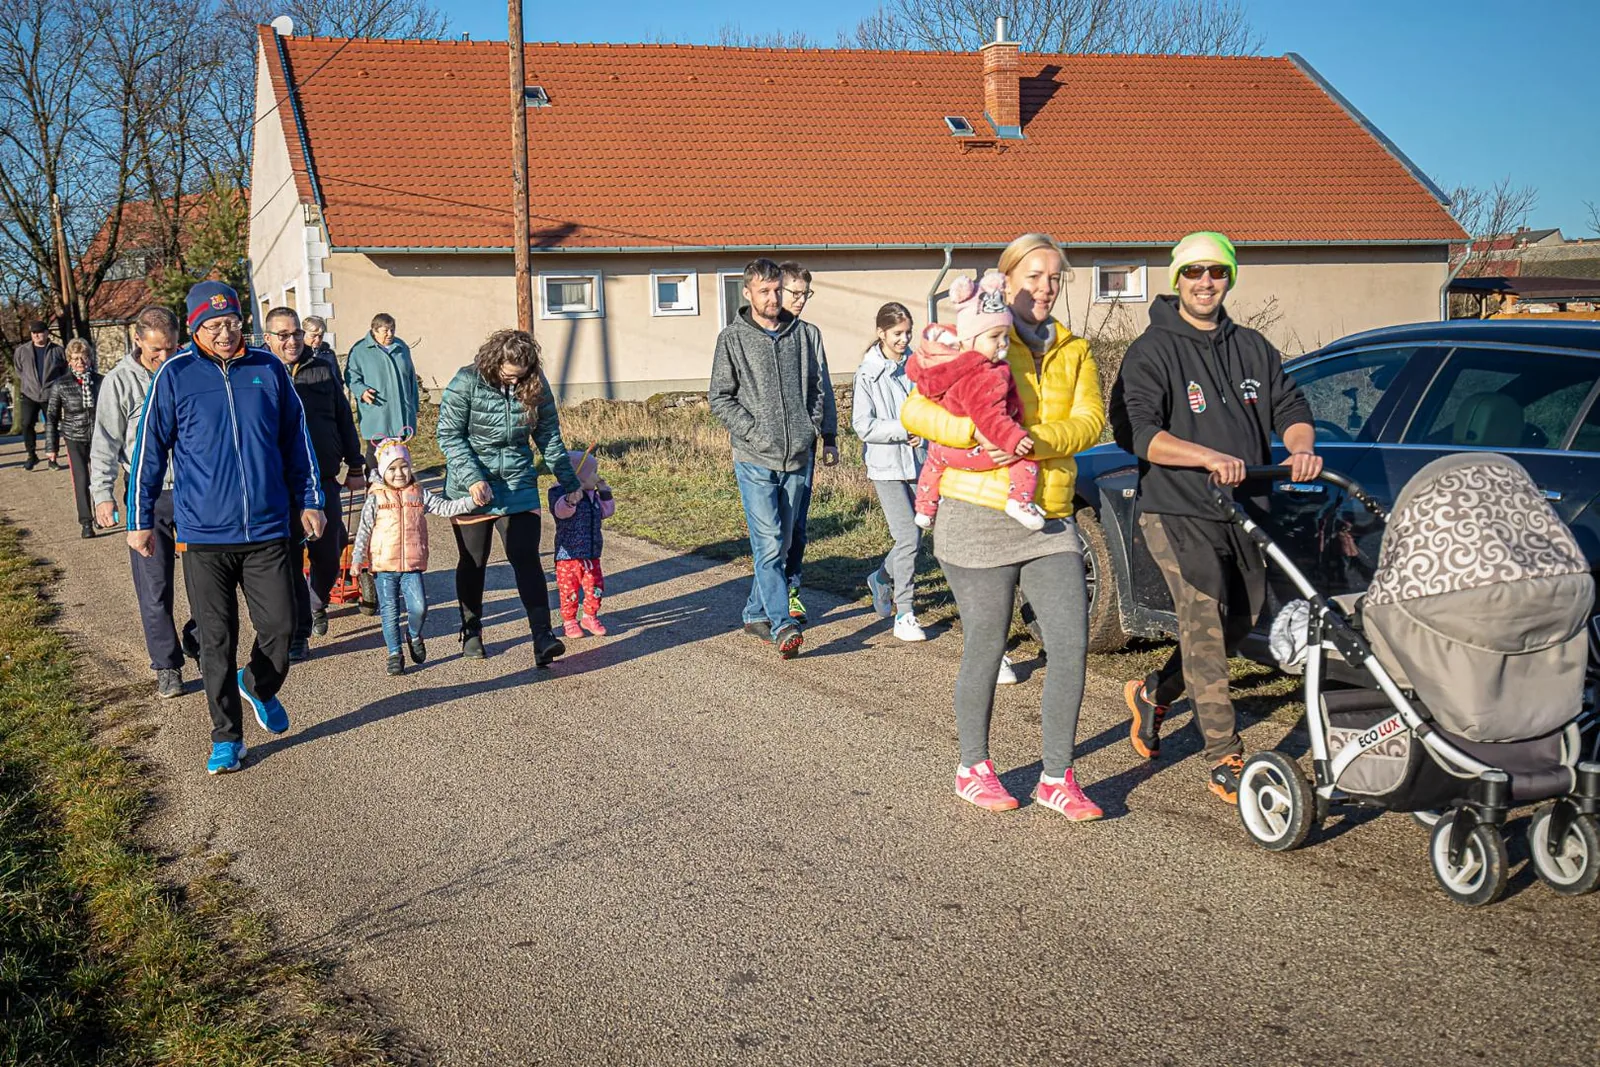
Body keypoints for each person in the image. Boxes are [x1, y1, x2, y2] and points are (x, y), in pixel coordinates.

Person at [1109, 231, 1321, 804]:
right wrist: (1206, 457)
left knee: (1233, 624)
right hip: (1178, 509)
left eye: (1218, 272)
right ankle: (1224, 756)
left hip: (1246, 508)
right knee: (1203, 622)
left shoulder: (1252, 346)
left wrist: (1300, 445)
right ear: (1177, 278)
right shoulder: (1152, 351)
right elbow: (1140, 434)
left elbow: (1291, 407)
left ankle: (1155, 692)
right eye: (1195, 272)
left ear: (1230, 278)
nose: (1206, 282)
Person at [901, 233, 1105, 820]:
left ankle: (1056, 777)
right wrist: (975, 435)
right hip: (974, 509)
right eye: (1033, 277)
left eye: (1054, 278)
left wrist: (1030, 444)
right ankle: (973, 767)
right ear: (1007, 280)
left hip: (1048, 515)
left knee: (1070, 644)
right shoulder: (976, 332)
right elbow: (914, 408)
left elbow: (1090, 421)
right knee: (986, 645)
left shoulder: (1075, 349)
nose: (1045, 288)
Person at [128, 282, 325, 775]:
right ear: (194, 328)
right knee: (216, 640)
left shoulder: (268, 368)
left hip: (267, 530)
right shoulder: (175, 375)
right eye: (212, 326)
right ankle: (227, 738)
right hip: (204, 536)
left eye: (232, 323)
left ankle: (257, 685)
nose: (223, 333)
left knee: (282, 626)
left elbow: (297, 444)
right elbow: (149, 451)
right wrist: (139, 520)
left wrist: (310, 501)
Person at [708, 259, 836, 659]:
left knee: (786, 543)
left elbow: (818, 386)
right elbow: (719, 397)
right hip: (754, 457)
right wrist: (754, 430)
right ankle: (782, 625)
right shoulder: (732, 339)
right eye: (765, 291)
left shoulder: (802, 334)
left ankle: (753, 612)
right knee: (768, 543)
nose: (774, 298)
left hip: (797, 455)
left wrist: (810, 425)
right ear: (747, 293)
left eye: (778, 290)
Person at [436, 328, 580, 665]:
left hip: (518, 481)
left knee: (525, 556)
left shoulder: (534, 383)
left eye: (520, 376)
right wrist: (472, 478)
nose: (513, 382)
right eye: (508, 374)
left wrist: (569, 480)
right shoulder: (466, 381)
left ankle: (543, 636)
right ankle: (471, 629)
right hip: (472, 485)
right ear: (493, 359)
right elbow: (449, 434)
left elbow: (548, 435)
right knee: (474, 560)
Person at [90, 306, 197, 699]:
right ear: (138, 341)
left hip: (193, 494)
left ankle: (197, 637)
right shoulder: (119, 383)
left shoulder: (187, 369)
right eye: (156, 351)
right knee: (154, 590)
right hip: (146, 497)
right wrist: (101, 495)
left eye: (170, 347)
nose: (164, 357)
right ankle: (167, 665)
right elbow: (104, 445)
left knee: (209, 582)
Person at [262, 306, 366, 659]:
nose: (292, 341)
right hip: (277, 483)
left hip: (322, 477)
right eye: (284, 335)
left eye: (296, 333)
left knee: (329, 548)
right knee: (288, 557)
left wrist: (355, 464)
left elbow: (342, 417)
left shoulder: (322, 368)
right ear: (268, 339)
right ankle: (297, 633)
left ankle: (316, 601)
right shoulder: (258, 371)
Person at [907, 271, 1046, 533]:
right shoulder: (988, 374)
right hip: (984, 453)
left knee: (934, 457)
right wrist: (1012, 438)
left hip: (949, 452)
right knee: (1024, 460)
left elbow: (925, 389)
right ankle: (1020, 501)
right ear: (969, 339)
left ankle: (925, 508)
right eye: (994, 338)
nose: (1002, 345)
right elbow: (989, 416)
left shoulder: (947, 364)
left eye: (1005, 337)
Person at [350, 439, 475, 675]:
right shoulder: (376, 497)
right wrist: (358, 558)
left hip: (412, 566)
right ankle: (394, 653)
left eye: (404, 467)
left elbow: (444, 507)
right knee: (390, 612)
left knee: (419, 607)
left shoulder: (418, 493)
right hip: (384, 567)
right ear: (384, 471)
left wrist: (470, 502)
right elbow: (364, 530)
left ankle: (414, 635)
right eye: (393, 469)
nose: (399, 473)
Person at [852, 302, 929, 642]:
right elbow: (862, 425)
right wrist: (903, 429)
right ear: (881, 332)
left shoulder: (918, 366)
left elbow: (931, 407)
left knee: (917, 535)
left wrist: (925, 430)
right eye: (897, 333)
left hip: (919, 460)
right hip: (885, 465)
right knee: (908, 537)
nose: (903, 339)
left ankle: (881, 578)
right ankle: (905, 611)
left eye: (907, 333)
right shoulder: (867, 373)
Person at [776, 261, 839, 625]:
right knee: (775, 524)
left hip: (804, 444)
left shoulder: (810, 334)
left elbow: (823, 386)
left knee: (797, 523)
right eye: (794, 293)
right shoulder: (763, 332)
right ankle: (769, 591)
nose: (800, 301)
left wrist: (828, 435)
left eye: (805, 294)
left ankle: (792, 589)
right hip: (767, 447)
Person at [550, 448, 615, 639]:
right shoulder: (559, 493)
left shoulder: (593, 496)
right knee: (569, 590)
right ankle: (569, 620)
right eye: (592, 472)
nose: (596, 476)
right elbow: (561, 512)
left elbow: (607, 512)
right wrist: (571, 500)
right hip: (568, 555)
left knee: (595, 586)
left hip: (591, 552)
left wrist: (604, 492)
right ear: (577, 476)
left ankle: (589, 616)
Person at [345, 312, 418, 470]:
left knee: (400, 452)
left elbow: (411, 378)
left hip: (402, 410)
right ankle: (373, 487)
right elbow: (351, 376)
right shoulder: (360, 350)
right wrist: (362, 391)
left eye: (392, 329)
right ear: (374, 330)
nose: (390, 334)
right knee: (375, 452)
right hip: (377, 410)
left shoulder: (401, 347)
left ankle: (398, 489)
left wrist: (414, 405)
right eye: (385, 330)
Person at [45, 339, 103, 538]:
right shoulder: (60, 385)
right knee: (81, 479)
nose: (80, 362)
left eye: (84, 357)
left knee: (100, 478)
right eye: (76, 358)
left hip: (98, 437)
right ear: (69, 361)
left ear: (90, 358)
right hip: (74, 436)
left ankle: (102, 515)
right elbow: (51, 417)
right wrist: (51, 447)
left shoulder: (101, 381)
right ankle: (86, 522)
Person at [10, 320, 66, 471]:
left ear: (47, 333)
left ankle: (52, 458)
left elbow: (64, 372)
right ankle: (31, 454)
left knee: (52, 425)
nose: (36, 335)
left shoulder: (58, 351)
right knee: (26, 423)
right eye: (33, 332)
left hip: (51, 394)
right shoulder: (22, 351)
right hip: (29, 394)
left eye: (39, 332)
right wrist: (29, 383)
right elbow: (19, 370)